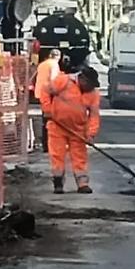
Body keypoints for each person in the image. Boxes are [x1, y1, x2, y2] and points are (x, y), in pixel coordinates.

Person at [43, 66, 101, 194]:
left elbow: (94, 115)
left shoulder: (93, 93)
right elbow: (45, 91)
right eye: (90, 84)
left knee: (80, 156)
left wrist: (91, 134)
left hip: (78, 130)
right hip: (57, 126)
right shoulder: (63, 81)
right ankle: (58, 183)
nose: (91, 88)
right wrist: (47, 110)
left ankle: (82, 184)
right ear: (83, 79)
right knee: (57, 155)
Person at [35, 49, 62, 154]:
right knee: (51, 120)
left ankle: (45, 145)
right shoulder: (54, 65)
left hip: (41, 93)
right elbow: (53, 80)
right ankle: (49, 145)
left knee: (45, 118)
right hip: (49, 94)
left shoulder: (42, 64)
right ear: (58, 57)